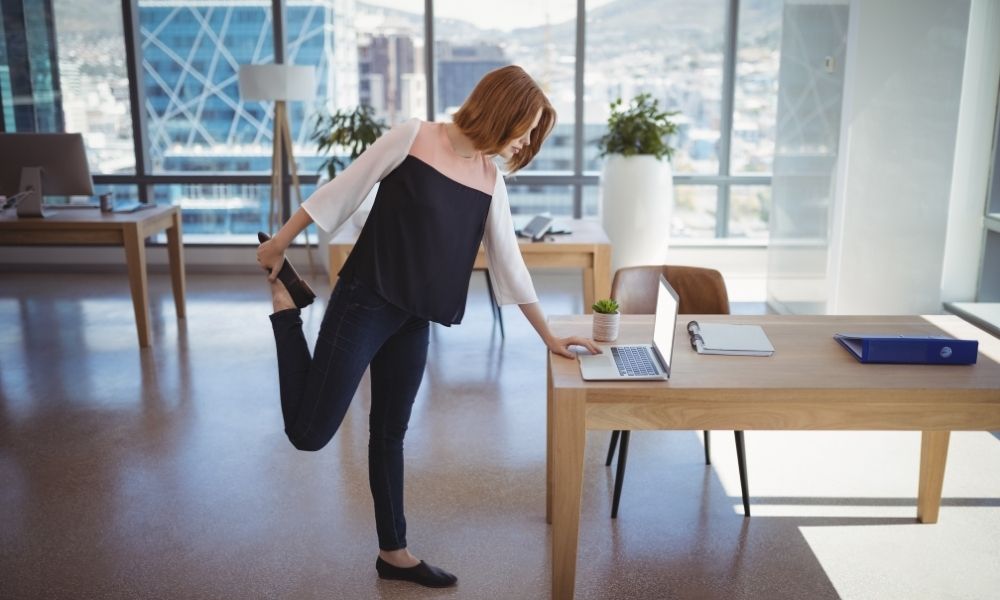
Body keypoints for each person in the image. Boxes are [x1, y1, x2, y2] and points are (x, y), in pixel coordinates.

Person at [256, 65, 600, 589]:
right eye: (525, 125)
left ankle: (394, 552)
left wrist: (549, 335)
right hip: (364, 301)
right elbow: (342, 190)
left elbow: (510, 263)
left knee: (389, 433)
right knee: (308, 435)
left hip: (415, 317)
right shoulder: (413, 136)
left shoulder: (490, 178)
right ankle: (286, 310)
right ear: (500, 111)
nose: (527, 139)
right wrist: (280, 243)